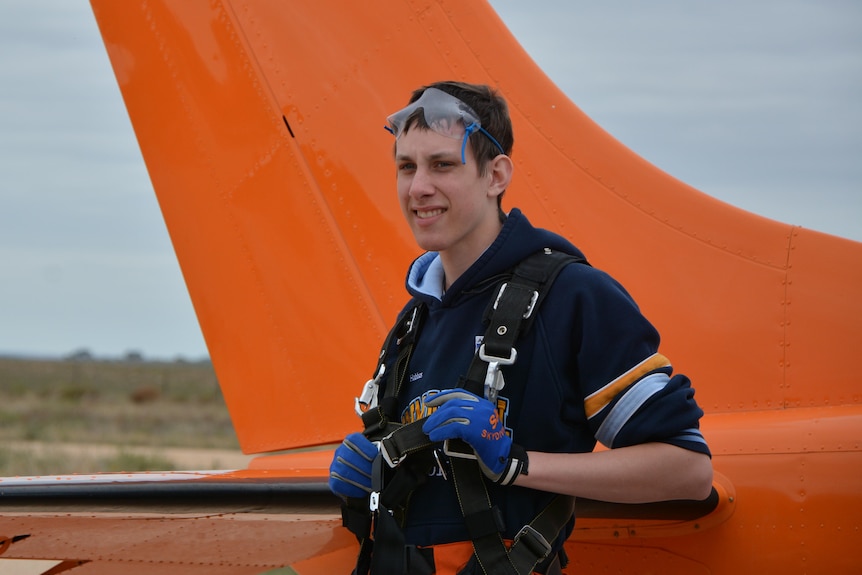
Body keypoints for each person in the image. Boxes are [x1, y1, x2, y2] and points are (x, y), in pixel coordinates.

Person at [329, 81, 713, 575]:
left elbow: (688, 470)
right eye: (407, 167)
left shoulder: (573, 297)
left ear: (496, 175)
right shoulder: (413, 320)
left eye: (442, 165)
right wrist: (376, 473)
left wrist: (518, 464)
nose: (418, 187)